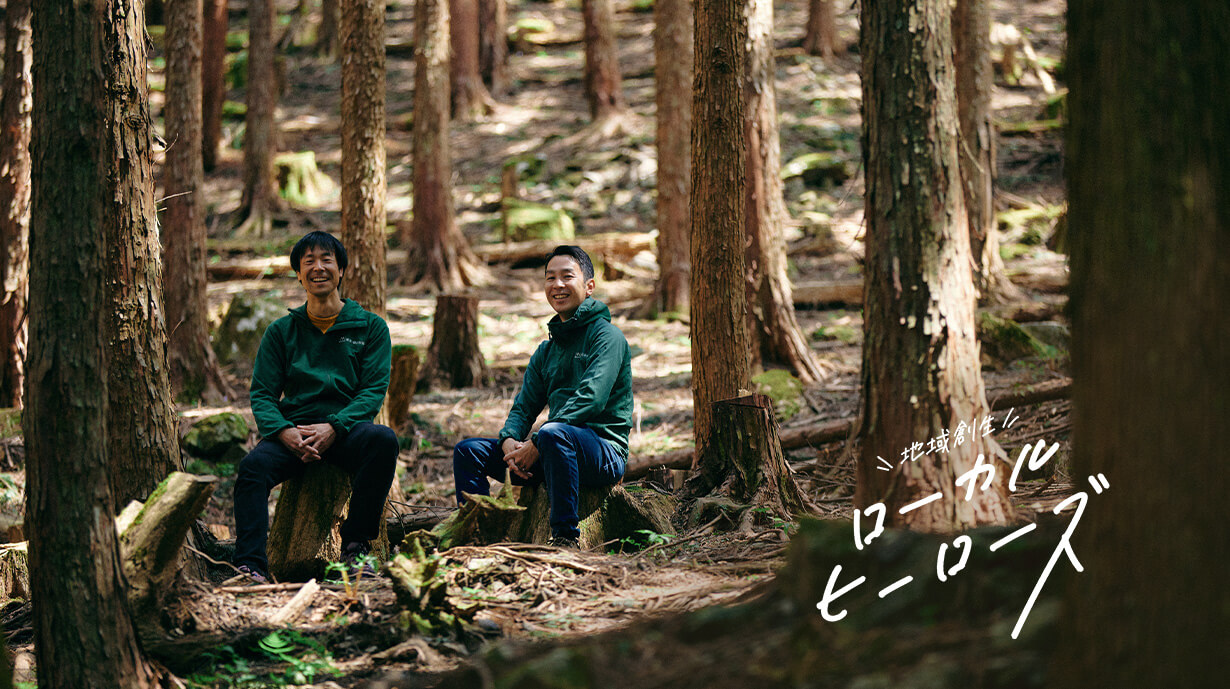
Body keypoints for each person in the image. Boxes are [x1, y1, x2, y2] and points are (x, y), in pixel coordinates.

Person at [232, 231, 398, 583]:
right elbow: (262, 394)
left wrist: (335, 427)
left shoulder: (371, 328)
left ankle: (355, 549)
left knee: (383, 441)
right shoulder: (281, 332)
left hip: (346, 431)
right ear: (298, 274)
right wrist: (284, 432)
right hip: (295, 432)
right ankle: (250, 565)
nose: (318, 268)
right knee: (252, 469)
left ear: (341, 270)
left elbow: (372, 391)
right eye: (309, 262)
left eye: (326, 260)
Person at [452, 245, 633, 548]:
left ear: (589, 286)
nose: (557, 285)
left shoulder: (607, 337)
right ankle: (477, 539)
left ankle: (565, 538)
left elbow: (591, 398)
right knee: (468, 451)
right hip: (552, 449)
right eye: (550, 278)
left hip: (603, 452)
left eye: (567, 276)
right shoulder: (547, 350)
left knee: (553, 434)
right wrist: (510, 438)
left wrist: (536, 443)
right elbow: (524, 406)